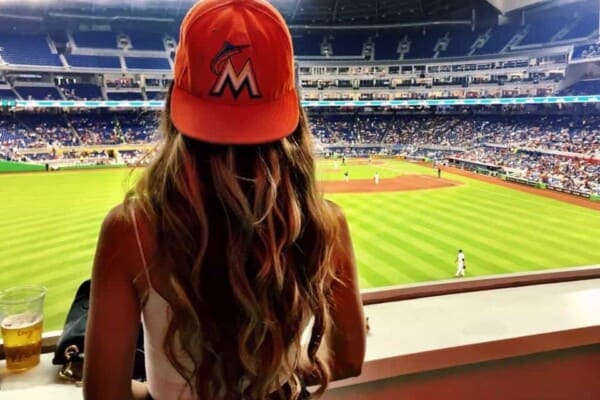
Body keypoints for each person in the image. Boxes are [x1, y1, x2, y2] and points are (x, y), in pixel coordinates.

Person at [83, 1, 366, 400]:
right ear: (290, 107)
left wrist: (161, 391)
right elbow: (349, 358)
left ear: (174, 101)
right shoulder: (325, 223)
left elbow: (103, 395)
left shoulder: (130, 230)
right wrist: (275, 370)